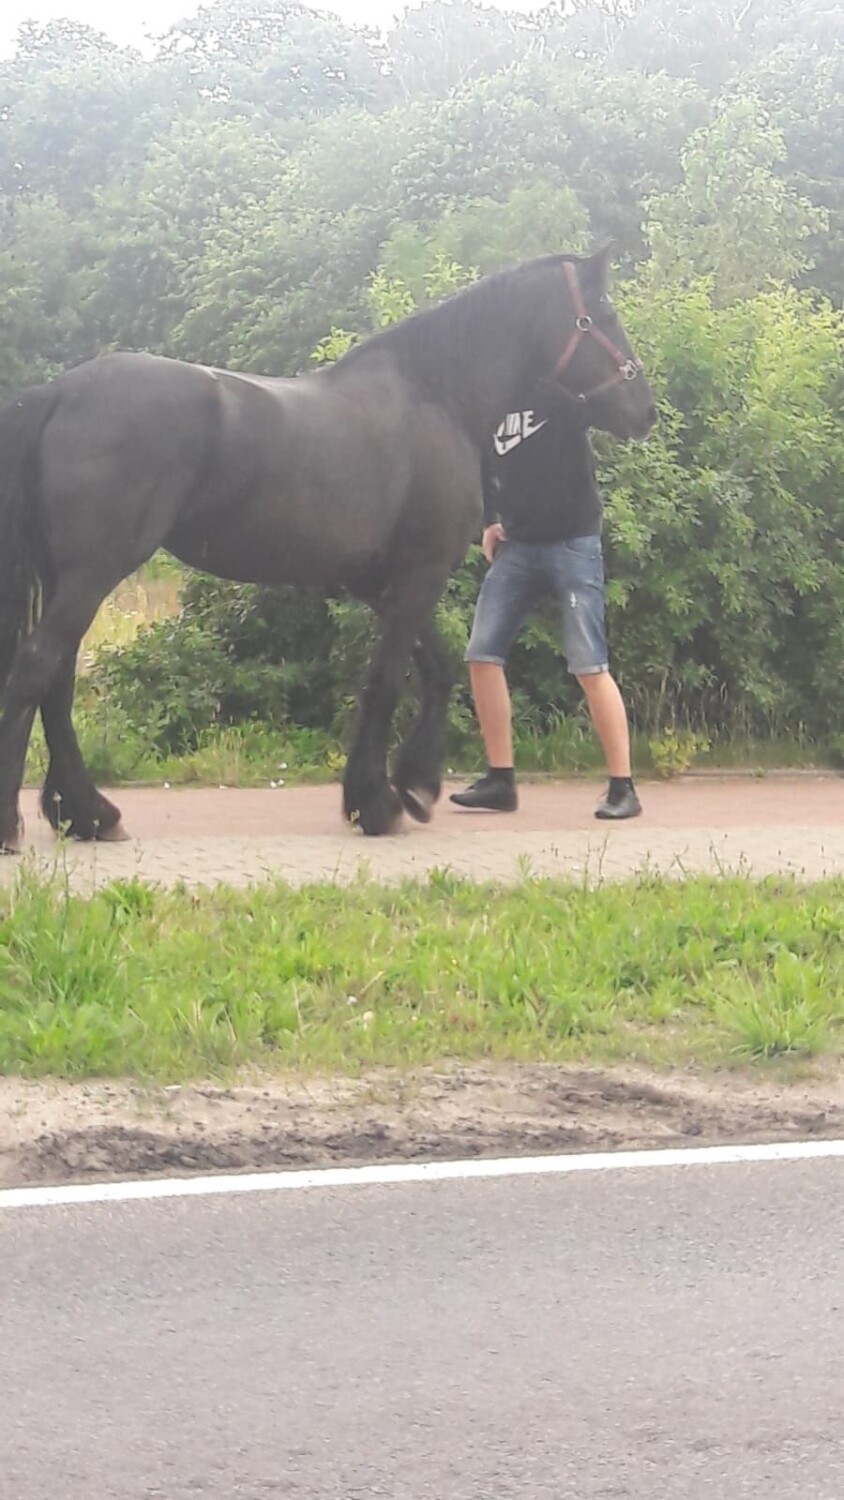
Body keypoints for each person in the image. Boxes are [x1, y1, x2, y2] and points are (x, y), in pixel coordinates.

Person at [450, 381, 642, 819]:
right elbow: (485, 460)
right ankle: (500, 781)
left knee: (589, 665)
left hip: (573, 544)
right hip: (518, 546)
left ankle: (623, 788)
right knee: (481, 654)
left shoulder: (560, 393)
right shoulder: (492, 397)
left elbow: (612, 409)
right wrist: (491, 520)